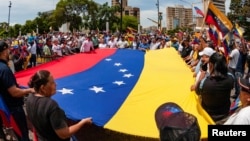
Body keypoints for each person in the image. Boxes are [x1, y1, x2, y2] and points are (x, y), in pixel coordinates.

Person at [26, 70, 92, 141]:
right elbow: (64, 134)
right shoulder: (51, 106)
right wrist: (82, 122)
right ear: (43, 88)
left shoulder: (30, 98)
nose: (56, 84)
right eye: (52, 83)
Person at [0, 40, 35, 141]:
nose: (10, 53)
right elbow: (14, 92)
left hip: (7, 106)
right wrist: (30, 90)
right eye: (8, 50)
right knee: (23, 135)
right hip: (14, 108)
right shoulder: (4, 69)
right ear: (4, 52)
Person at [195, 52, 234, 124]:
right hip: (224, 116)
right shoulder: (230, 79)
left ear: (211, 65)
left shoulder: (204, 83)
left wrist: (202, 75)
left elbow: (196, 91)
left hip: (207, 117)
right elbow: (228, 72)